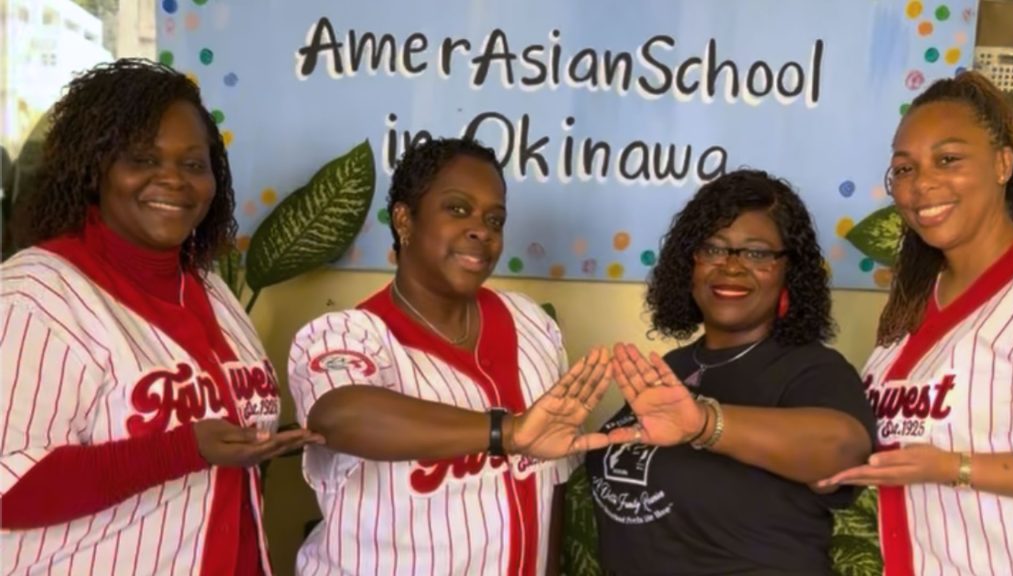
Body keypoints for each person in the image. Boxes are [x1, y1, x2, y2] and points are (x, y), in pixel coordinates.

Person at [0, 59, 321, 575]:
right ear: (93, 167)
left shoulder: (210, 287)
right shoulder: (36, 294)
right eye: (143, 159)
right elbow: (8, 488)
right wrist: (180, 451)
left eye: (193, 164)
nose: (172, 180)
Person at [288, 137, 613, 576]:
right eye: (457, 209)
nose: (481, 229)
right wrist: (507, 432)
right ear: (404, 219)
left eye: (494, 219)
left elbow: (549, 483)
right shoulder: (346, 334)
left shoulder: (531, 324)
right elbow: (340, 417)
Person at [584, 169, 877, 575]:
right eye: (714, 249)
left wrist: (705, 423)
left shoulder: (811, 369)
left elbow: (843, 451)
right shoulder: (675, 367)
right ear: (691, 264)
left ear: (789, 271)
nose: (732, 267)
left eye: (757, 253)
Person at [819, 72, 1013, 575]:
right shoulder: (911, 301)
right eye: (904, 169)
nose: (922, 184)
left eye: (948, 160)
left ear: (1003, 164)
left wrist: (955, 467)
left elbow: (937, 460)